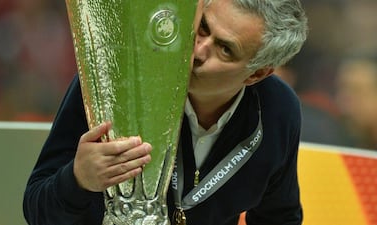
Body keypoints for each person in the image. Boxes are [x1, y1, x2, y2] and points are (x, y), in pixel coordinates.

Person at [23, 0, 308, 224]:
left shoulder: (278, 110)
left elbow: (279, 217)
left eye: (224, 49)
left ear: (256, 74)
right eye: (203, 28)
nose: (197, 50)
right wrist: (78, 180)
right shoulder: (117, 78)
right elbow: (37, 211)